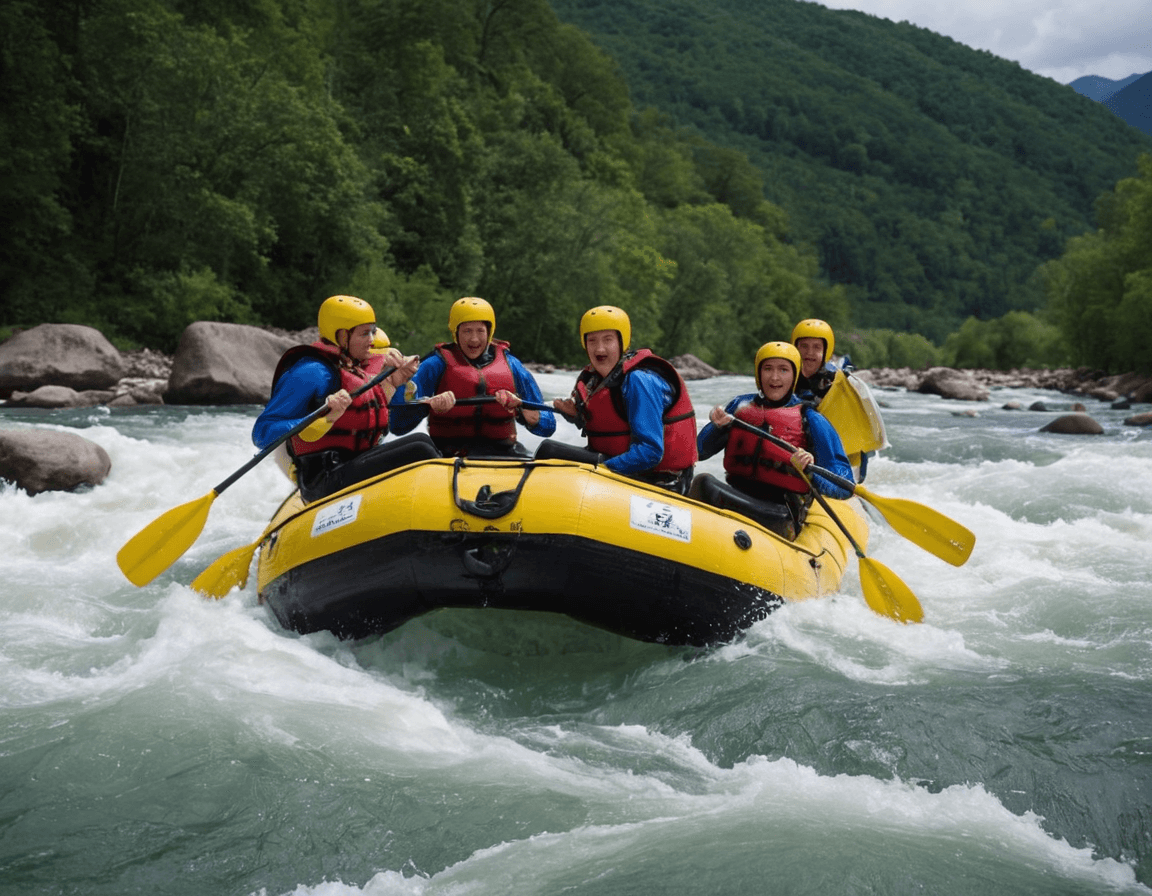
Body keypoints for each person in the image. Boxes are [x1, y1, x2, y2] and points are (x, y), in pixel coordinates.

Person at [253, 294, 440, 502]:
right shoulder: (312, 372)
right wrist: (320, 421)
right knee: (420, 448)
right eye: (364, 334)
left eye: (372, 332)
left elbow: (366, 417)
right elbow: (262, 433)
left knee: (425, 442)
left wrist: (394, 382)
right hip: (323, 479)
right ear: (342, 335)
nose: (371, 340)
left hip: (353, 465)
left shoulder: (354, 369)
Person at [692, 341, 854, 539]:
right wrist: (717, 429)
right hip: (735, 496)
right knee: (703, 482)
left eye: (783, 370)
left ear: (794, 375)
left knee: (704, 484)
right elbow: (698, 452)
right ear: (758, 374)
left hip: (780, 512)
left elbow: (844, 485)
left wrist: (809, 472)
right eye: (768, 369)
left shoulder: (811, 419)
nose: (775, 377)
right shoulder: (739, 406)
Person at [549, 305, 697, 493]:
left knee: (551, 452)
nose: (599, 348)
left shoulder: (639, 380)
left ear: (622, 342)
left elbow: (650, 452)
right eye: (592, 340)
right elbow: (611, 423)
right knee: (550, 452)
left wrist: (601, 471)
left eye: (608, 339)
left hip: (658, 482)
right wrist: (575, 415)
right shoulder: (594, 380)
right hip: (621, 470)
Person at [389, 296, 555, 457]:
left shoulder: (513, 366)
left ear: (489, 332)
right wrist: (426, 405)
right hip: (447, 454)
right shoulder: (435, 364)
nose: (474, 339)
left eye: (480, 331)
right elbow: (397, 425)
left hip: (503, 452)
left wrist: (525, 412)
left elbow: (548, 426)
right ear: (456, 333)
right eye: (467, 331)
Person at [791, 318, 839, 402]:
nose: (809, 352)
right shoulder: (783, 378)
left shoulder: (834, 382)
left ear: (825, 351)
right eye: (804, 346)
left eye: (816, 347)